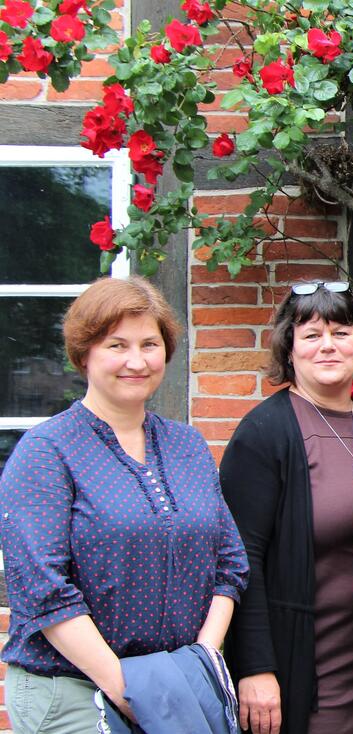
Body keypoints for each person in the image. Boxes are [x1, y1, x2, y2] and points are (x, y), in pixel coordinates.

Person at [0, 276, 249, 733]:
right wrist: (133, 691)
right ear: (84, 353)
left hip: (178, 686)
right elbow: (45, 592)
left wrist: (201, 662)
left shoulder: (187, 445)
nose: (136, 361)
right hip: (74, 688)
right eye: (117, 345)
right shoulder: (46, 452)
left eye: (149, 344)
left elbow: (229, 566)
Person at [221, 280, 353, 734]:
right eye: (311, 335)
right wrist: (255, 668)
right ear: (290, 349)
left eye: (340, 332)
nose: (327, 346)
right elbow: (241, 562)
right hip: (307, 668)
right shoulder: (264, 433)